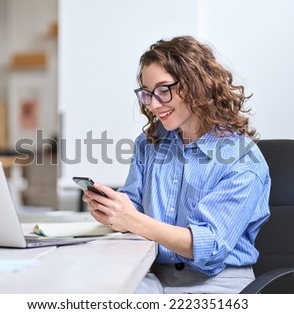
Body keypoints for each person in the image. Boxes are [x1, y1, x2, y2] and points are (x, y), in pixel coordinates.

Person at [82, 35, 271, 293]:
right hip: (152, 274)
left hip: (216, 283)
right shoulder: (150, 143)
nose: (154, 105)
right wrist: (111, 212)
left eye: (163, 90)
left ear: (196, 85)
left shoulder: (242, 159)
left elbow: (210, 246)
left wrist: (131, 219)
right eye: (147, 94)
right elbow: (133, 210)